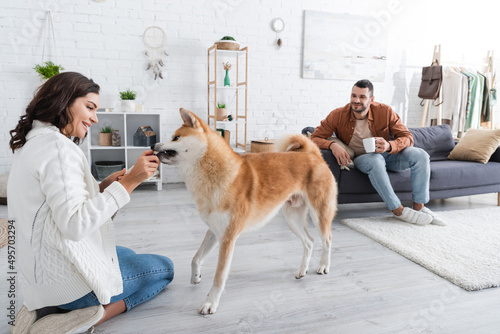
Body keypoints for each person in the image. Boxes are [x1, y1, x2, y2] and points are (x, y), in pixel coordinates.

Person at [8, 72, 174, 334]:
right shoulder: (59, 149)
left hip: (39, 280)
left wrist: (103, 188)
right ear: (64, 101)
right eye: (89, 107)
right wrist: (129, 183)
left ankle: (44, 309)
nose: (95, 118)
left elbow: (56, 208)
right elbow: (75, 225)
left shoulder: (34, 143)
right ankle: (82, 318)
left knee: (127, 255)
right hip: (69, 288)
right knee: (165, 268)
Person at [310, 79, 445, 226]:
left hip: (389, 155)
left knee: (421, 155)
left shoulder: (385, 111)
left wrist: (389, 145)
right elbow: (314, 137)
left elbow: (407, 137)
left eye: (362, 97)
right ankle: (398, 210)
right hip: (364, 158)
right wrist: (332, 145)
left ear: (371, 99)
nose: (356, 100)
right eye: (353, 95)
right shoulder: (338, 115)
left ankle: (419, 208)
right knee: (375, 160)